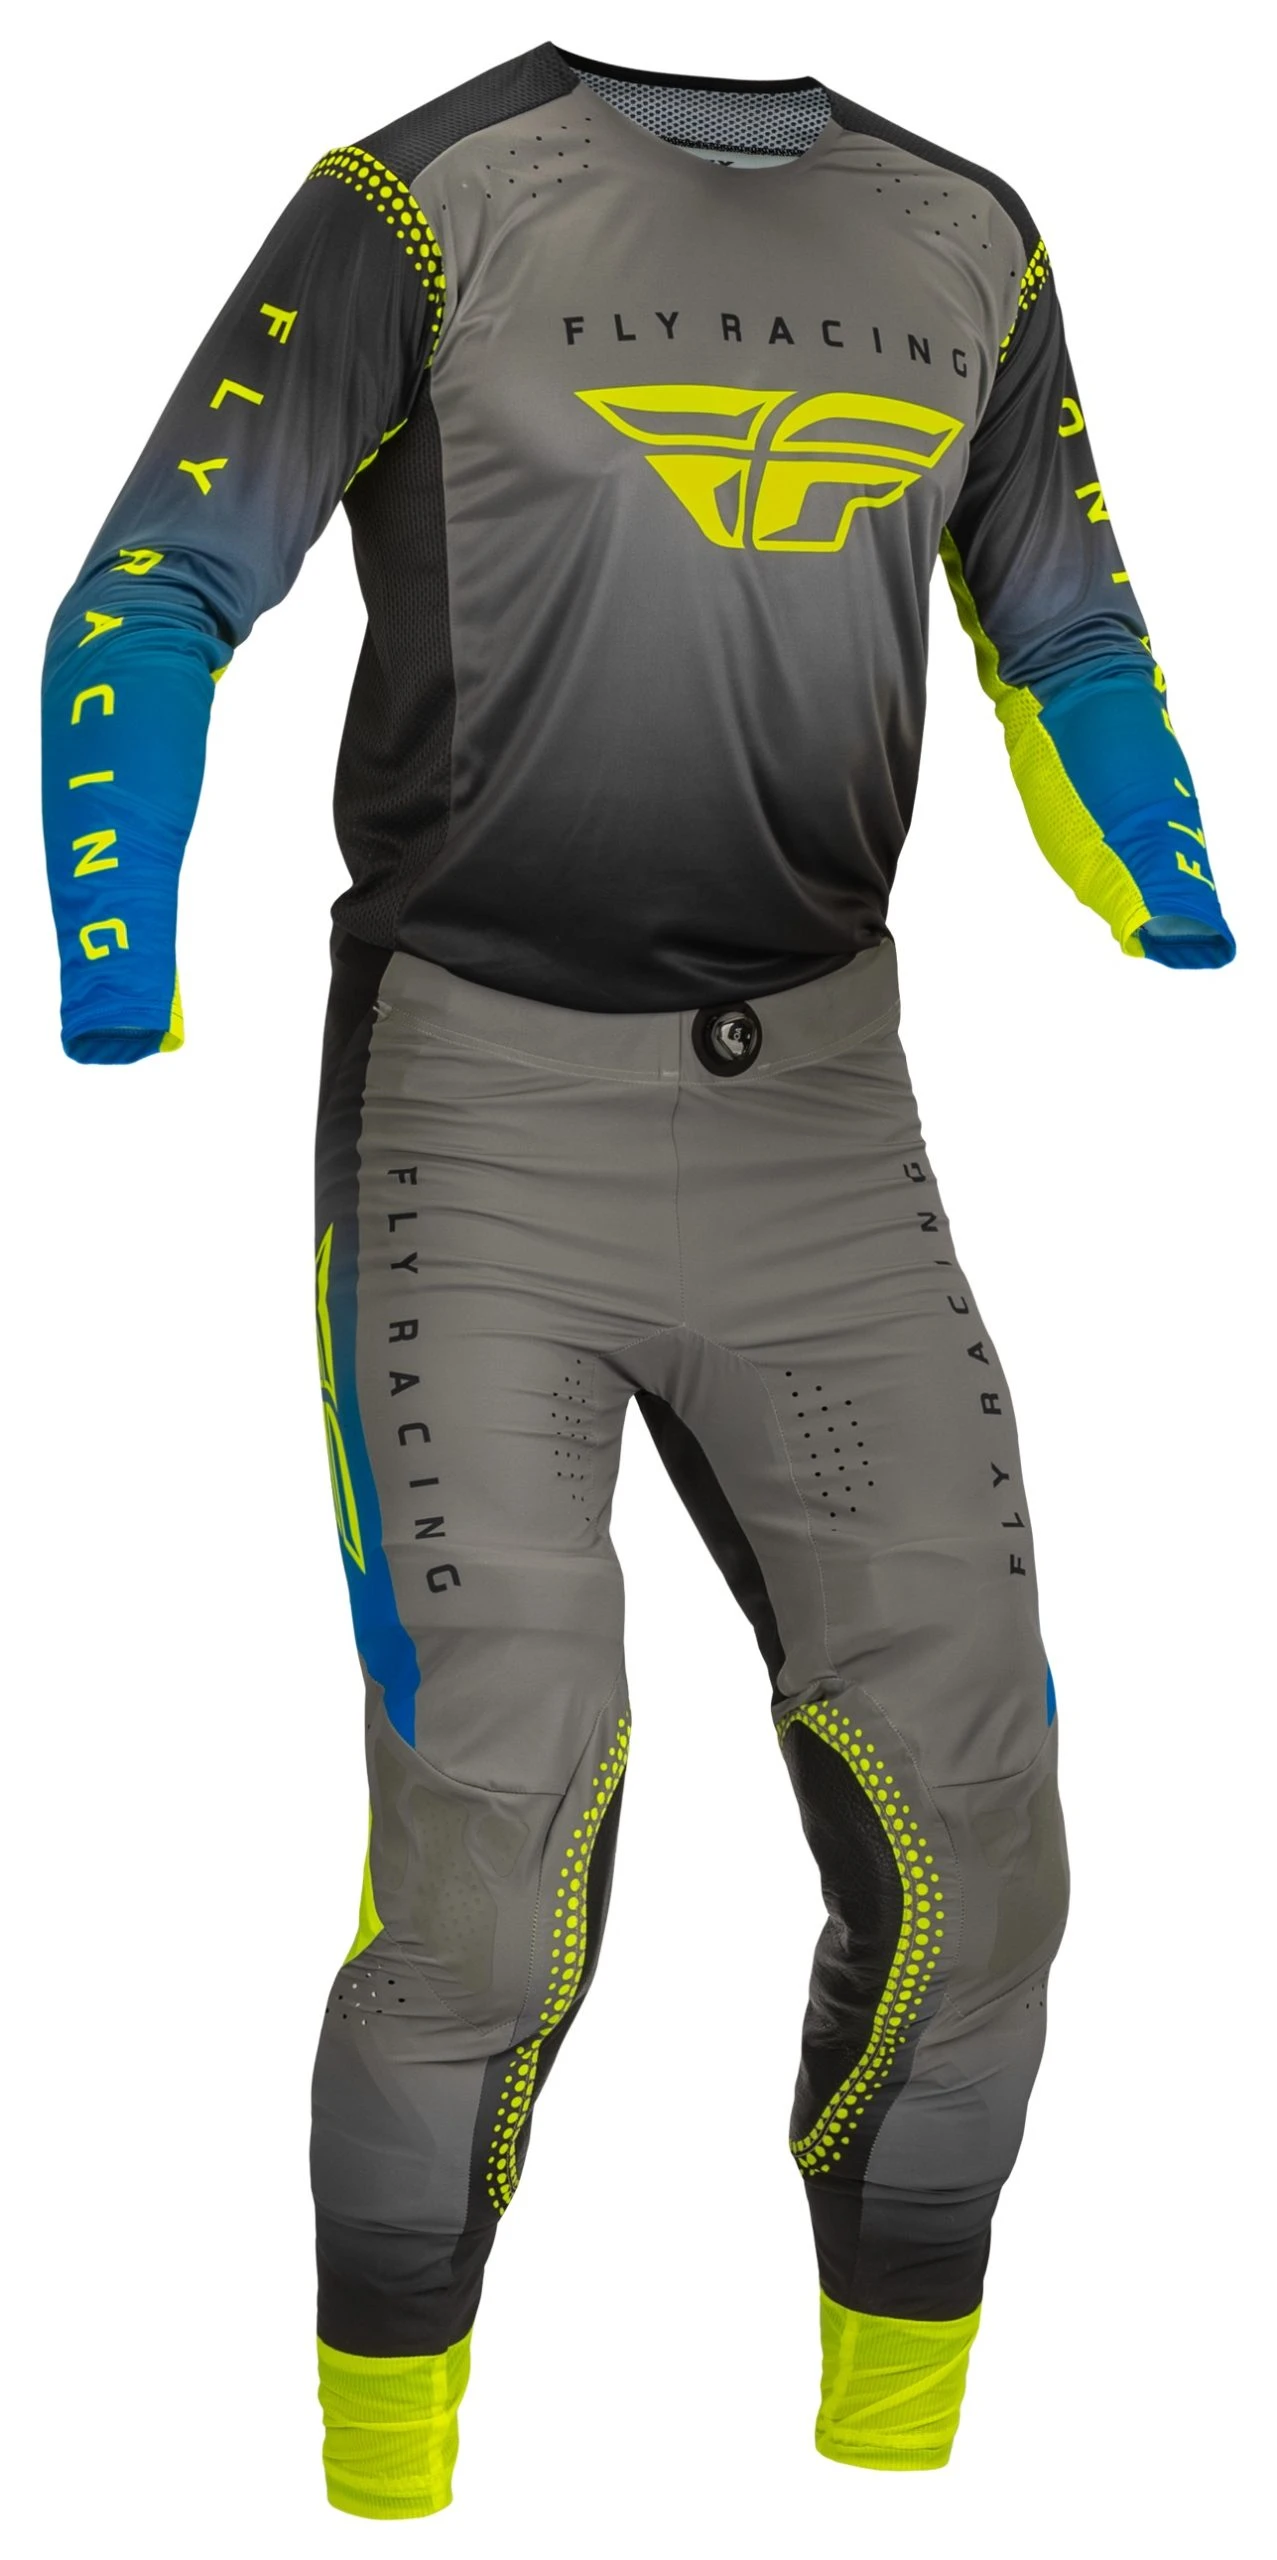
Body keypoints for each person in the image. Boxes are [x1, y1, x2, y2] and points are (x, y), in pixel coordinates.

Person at [40, 40, 1234, 2521]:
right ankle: (383, 2462)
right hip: (473, 1117)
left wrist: (1159, 860)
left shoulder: (968, 236)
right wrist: (117, 933)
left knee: (981, 1843)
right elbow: (156, 585)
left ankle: (891, 2443)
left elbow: (1066, 617)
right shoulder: (419, 196)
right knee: (491, 1845)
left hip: (823, 1120)